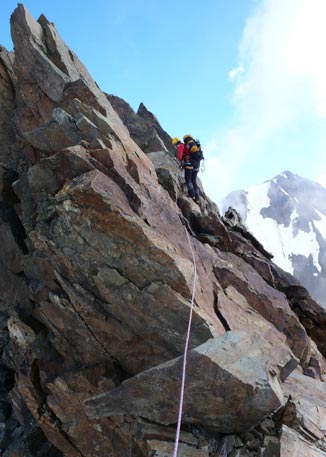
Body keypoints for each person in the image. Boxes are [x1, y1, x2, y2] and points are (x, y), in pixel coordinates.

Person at [171, 135, 202, 203]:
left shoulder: (180, 147)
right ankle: (197, 198)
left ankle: (192, 195)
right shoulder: (186, 145)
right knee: (193, 180)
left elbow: (180, 157)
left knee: (188, 179)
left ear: (176, 144)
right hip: (196, 163)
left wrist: (181, 164)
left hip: (190, 164)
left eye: (174, 145)